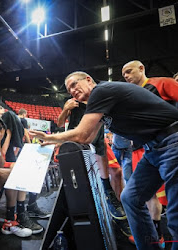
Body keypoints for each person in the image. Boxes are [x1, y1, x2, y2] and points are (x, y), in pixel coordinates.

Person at [30, 71, 178, 249]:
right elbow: (89, 138)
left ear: (88, 79)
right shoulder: (99, 102)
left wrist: (53, 138)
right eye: (69, 90)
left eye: (74, 85)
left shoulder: (102, 91)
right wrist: (57, 141)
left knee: (175, 218)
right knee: (130, 199)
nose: (72, 91)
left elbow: (83, 134)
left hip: (172, 140)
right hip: (152, 148)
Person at [122, 60, 178, 244]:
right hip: (147, 151)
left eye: (129, 72)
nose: (127, 76)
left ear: (141, 68)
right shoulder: (129, 98)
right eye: (124, 75)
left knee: (175, 216)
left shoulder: (162, 83)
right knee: (130, 198)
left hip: (171, 144)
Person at [17, 108, 51, 219]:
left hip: (17, 151)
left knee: (37, 169)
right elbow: (26, 134)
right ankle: (27, 207)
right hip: (19, 153)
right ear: (25, 114)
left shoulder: (11, 123)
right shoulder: (23, 121)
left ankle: (31, 206)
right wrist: (30, 146)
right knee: (33, 170)